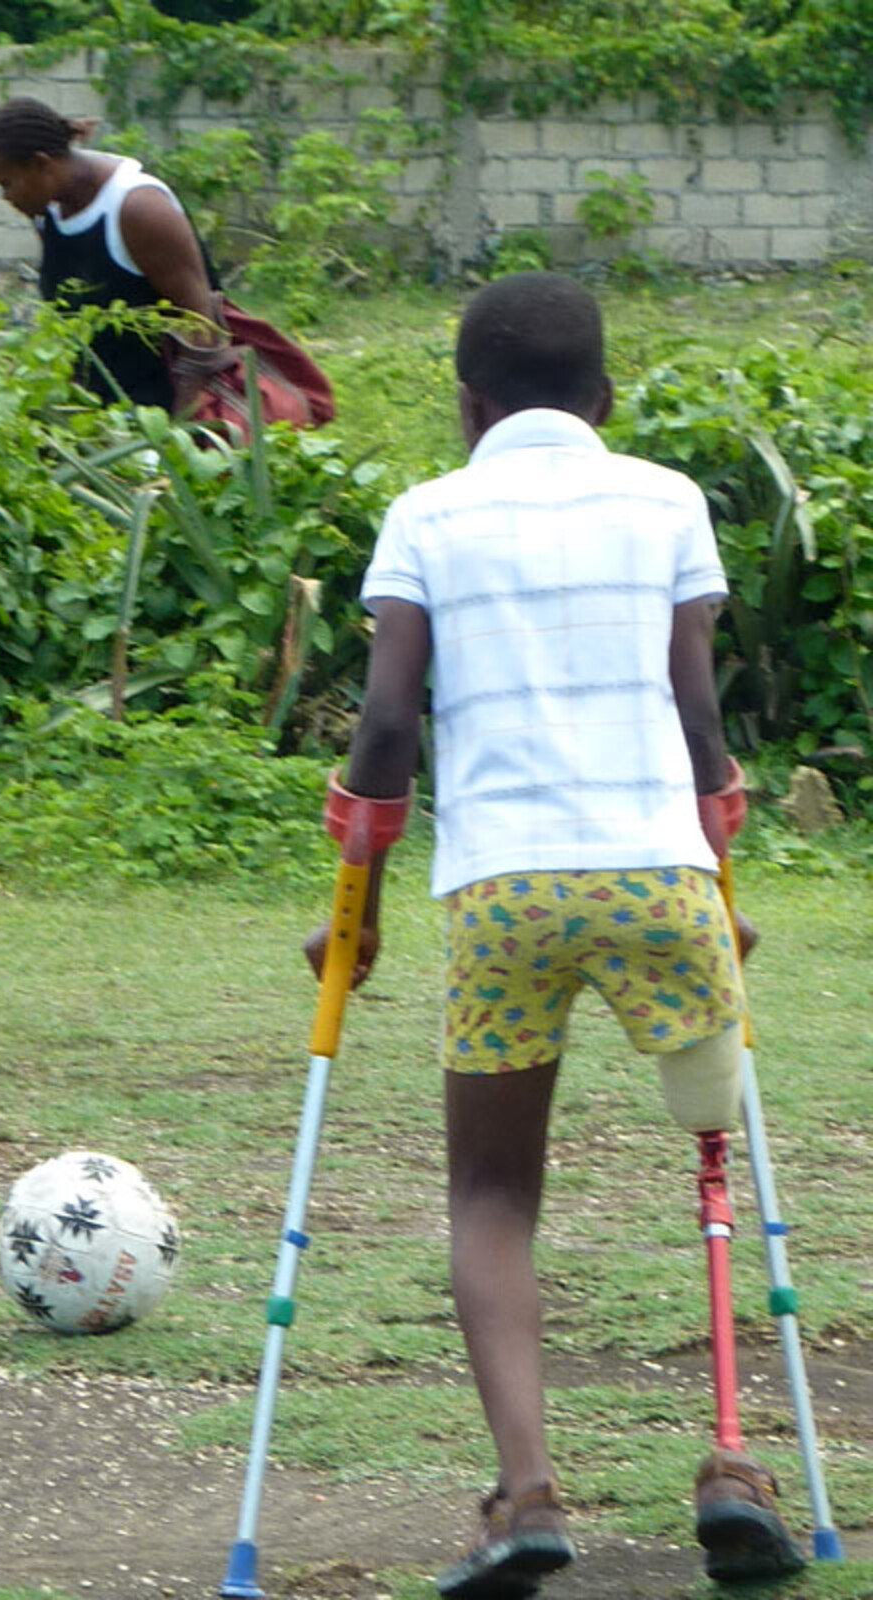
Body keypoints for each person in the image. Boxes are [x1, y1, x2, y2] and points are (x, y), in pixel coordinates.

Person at [313, 273, 804, 1596]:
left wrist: (349, 907)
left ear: (468, 405)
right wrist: (719, 889)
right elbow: (699, 718)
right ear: (603, 399)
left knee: (490, 1195)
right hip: (658, 877)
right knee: (715, 1167)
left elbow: (388, 727)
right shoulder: (667, 502)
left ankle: (527, 1492)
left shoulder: (428, 514)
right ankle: (732, 1461)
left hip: (505, 890)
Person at [0, 96, 221, 413]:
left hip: (159, 413)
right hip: (99, 412)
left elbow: (201, 323)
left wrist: (185, 426)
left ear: (41, 164)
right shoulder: (48, 211)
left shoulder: (138, 208)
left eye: (7, 184)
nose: (5, 197)